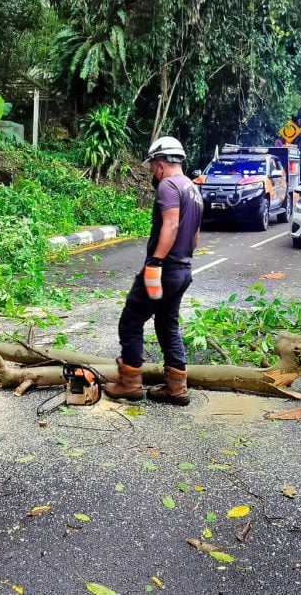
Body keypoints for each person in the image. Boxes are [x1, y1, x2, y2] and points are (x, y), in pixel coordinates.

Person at [104, 136, 203, 406]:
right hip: (183, 270)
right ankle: (176, 388)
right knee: (166, 323)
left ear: (161, 164)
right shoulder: (193, 189)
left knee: (131, 320)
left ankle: (129, 383)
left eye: (152, 167)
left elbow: (171, 225)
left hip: (163, 269)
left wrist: (156, 262)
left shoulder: (168, 186)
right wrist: (179, 261)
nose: (151, 172)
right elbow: (194, 236)